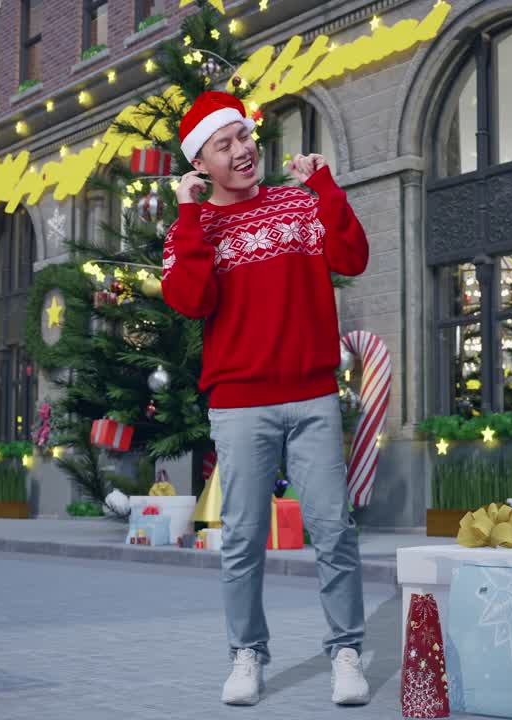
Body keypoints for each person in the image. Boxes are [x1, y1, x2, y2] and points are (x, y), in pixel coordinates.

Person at [160, 91, 371, 707]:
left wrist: (324, 187)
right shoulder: (192, 229)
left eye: (244, 137)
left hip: (312, 396)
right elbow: (191, 300)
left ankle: (347, 653)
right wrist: (190, 216)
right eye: (223, 145)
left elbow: (353, 257)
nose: (241, 151)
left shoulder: (299, 205)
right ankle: (246, 654)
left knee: (334, 531)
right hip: (239, 404)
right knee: (243, 539)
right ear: (201, 163)